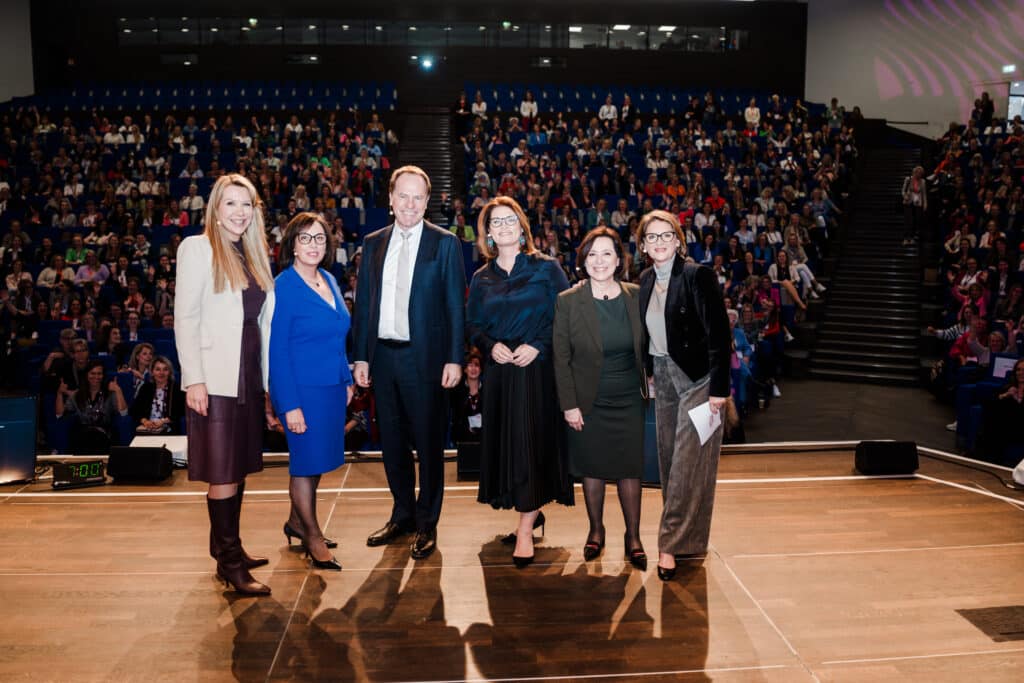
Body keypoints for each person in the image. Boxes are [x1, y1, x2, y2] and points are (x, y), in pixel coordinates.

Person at [352, 165, 466, 560]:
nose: (411, 204)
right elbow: (365, 303)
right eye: (404, 195)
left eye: (419, 197)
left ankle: (427, 522)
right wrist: (361, 356)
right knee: (393, 444)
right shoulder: (373, 243)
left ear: (427, 202)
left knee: (430, 443)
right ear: (390, 198)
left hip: (428, 361)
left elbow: (455, 305)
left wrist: (455, 358)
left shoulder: (445, 243)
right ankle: (402, 514)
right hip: (383, 359)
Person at [175, 173, 276, 596]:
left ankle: (227, 550)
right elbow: (186, 317)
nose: (239, 212)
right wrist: (193, 378)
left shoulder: (254, 255)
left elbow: (262, 323)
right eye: (230, 204)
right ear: (215, 210)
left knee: (237, 466)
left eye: (246, 205)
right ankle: (231, 565)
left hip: (249, 374)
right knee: (223, 470)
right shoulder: (196, 249)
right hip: (215, 379)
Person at [466, 196, 574, 568]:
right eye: (496, 222)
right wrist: (490, 345)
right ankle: (530, 509)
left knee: (531, 445)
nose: (505, 226)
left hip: (537, 368)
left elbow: (566, 314)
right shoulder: (482, 278)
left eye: (511, 219)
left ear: (522, 226)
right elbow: (473, 325)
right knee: (511, 447)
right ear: (489, 234)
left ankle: (526, 526)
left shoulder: (547, 268)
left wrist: (538, 346)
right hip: (500, 371)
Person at [637, 210, 731, 581]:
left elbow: (720, 336)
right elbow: (648, 336)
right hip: (662, 375)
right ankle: (688, 541)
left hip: (699, 381)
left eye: (666, 235)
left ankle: (667, 545)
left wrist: (719, 390)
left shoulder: (698, 276)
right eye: (652, 237)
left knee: (690, 466)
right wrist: (649, 373)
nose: (659, 242)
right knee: (670, 461)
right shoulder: (644, 279)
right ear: (643, 245)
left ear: (678, 240)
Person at [552, 227, 648, 570]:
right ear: (583, 261)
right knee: (592, 469)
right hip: (588, 400)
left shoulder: (636, 295)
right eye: (592, 254)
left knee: (629, 469)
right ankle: (596, 531)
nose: (599, 261)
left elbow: (651, 342)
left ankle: (633, 536)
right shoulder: (567, 302)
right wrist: (569, 405)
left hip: (629, 399)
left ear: (619, 259)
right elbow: (560, 357)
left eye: (607, 253)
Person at [270, 212, 353, 572]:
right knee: (304, 465)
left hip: (331, 388)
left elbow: (338, 335)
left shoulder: (330, 280)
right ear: (291, 245)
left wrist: (346, 378)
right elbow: (278, 351)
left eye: (319, 238)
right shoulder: (284, 286)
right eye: (305, 238)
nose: (313, 245)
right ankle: (313, 537)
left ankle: (295, 521)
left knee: (316, 461)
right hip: (301, 391)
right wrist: (289, 405)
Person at [129, 355, 185, 434]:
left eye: (165, 369)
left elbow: (181, 411)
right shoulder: (146, 388)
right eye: (157, 369)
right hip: (147, 428)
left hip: (168, 429)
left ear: (169, 372)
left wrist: (163, 421)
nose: (161, 373)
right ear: (152, 372)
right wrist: (145, 421)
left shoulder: (176, 388)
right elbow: (134, 410)